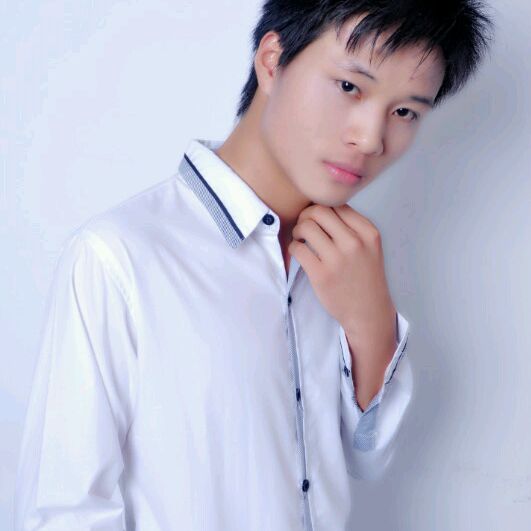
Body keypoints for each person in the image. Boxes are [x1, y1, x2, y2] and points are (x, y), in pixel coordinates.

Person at [14, 1, 495, 530]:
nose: (371, 138)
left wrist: (372, 325)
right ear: (272, 61)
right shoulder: (119, 256)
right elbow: (63, 511)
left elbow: (367, 458)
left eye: (405, 112)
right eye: (349, 87)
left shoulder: (346, 262)